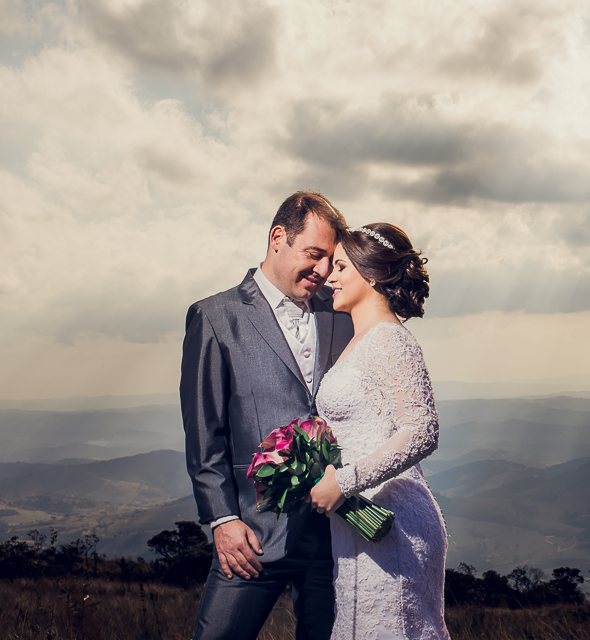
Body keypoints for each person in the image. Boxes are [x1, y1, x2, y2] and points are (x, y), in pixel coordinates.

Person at [181, 191, 355, 640]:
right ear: (278, 238)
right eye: (314, 255)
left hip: (335, 533)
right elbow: (206, 432)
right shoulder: (215, 317)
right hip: (253, 535)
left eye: (331, 261)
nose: (322, 271)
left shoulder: (340, 313)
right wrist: (222, 520)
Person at [306, 222, 449, 640]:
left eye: (341, 267)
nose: (329, 277)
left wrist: (344, 481)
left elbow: (422, 429)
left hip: (393, 521)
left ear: (371, 275)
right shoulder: (359, 340)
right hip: (358, 522)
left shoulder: (389, 339)